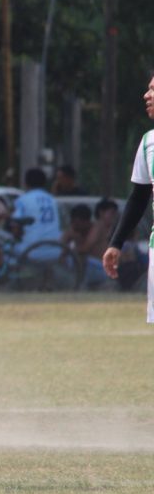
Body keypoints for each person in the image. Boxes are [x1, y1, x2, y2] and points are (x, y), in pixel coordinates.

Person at [103, 75, 154, 316]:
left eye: (153, 89)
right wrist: (116, 243)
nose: (146, 95)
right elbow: (139, 197)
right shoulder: (148, 143)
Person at [11, 168, 61, 260]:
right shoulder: (53, 200)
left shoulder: (22, 200)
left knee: (6, 249)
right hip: (56, 250)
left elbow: (16, 228)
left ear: (26, 183)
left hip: (31, 250)